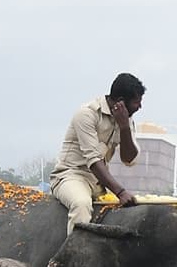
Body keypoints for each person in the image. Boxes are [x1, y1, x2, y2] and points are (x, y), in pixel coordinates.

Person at [49, 73, 144, 232]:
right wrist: (120, 192)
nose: (140, 107)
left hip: (98, 184)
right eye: (136, 102)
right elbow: (93, 161)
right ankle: (74, 256)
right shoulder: (86, 114)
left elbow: (129, 160)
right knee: (81, 204)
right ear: (120, 101)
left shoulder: (126, 120)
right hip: (71, 177)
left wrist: (124, 127)